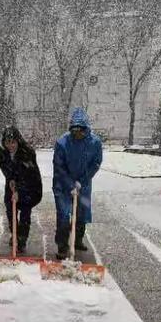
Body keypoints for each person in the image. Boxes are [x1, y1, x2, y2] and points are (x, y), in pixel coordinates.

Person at [52, 107, 103, 260]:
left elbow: (96, 163)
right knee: (63, 215)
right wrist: (70, 184)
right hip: (62, 185)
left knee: (81, 214)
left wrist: (82, 181)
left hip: (84, 184)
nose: (77, 133)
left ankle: (78, 240)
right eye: (74, 130)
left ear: (86, 129)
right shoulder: (62, 143)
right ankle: (62, 246)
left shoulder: (95, 142)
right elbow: (58, 166)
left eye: (80, 130)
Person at [0, 126, 42, 253]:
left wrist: (19, 191)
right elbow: (4, 166)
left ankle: (22, 238)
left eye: (13, 142)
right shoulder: (3, 152)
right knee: (10, 208)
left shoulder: (27, 152)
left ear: (18, 141)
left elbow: (28, 175)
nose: (10, 145)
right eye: (7, 142)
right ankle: (15, 234)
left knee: (25, 210)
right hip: (12, 184)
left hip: (30, 185)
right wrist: (10, 178)